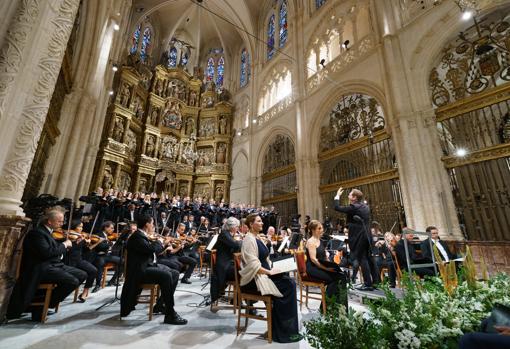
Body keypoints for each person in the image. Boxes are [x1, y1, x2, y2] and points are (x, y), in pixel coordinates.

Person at [7, 206, 87, 321]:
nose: (62, 223)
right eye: (59, 221)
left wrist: (71, 243)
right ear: (49, 221)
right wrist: (64, 244)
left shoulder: (49, 232)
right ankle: (40, 307)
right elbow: (47, 253)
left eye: (62, 221)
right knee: (72, 281)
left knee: (82, 275)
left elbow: (54, 246)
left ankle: (46, 304)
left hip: (55, 265)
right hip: (42, 267)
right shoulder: (37, 233)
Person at [239, 213, 299, 343]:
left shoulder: (257, 238)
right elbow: (253, 265)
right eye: (259, 221)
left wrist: (276, 268)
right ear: (251, 224)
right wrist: (269, 272)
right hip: (254, 280)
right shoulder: (249, 240)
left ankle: (285, 328)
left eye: (261, 221)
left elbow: (266, 258)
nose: (262, 223)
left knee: (289, 281)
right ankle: (281, 331)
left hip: (264, 275)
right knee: (288, 286)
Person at [120, 215, 187, 325]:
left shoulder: (142, 235)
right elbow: (150, 249)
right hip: (140, 270)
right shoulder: (137, 236)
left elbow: (153, 251)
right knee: (166, 275)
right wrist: (160, 241)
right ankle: (170, 314)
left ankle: (160, 305)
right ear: (147, 224)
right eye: (152, 223)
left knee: (174, 273)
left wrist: (164, 245)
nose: (153, 226)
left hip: (148, 266)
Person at [334, 187, 376, 291]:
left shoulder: (354, 207)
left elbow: (337, 207)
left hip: (359, 236)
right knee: (369, 258)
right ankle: (376, 282)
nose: (348, 196)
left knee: (362, 259)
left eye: (350, 194)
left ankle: (368, 284)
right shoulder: (365, 206)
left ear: (354, 197)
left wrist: (337, 196)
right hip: (367, 235)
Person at [305, 220, 348, 309]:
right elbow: (313, 260)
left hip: (321, 266)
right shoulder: (310, 241)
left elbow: (324, 257)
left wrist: (331, 265)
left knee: (342, 276)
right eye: (319, 228)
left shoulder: (319, 240)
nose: (321, 230)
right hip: (312, 268)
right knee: (334, 279)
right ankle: (326, 307)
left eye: (322, 228)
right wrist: (327, 269)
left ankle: (341, 307)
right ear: (312, 230)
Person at [210, 217, 242, 311]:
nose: (238, 229)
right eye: (237, 227)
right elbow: (235, 245)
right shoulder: (224, 234)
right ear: (232, 227)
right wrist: (243, 241)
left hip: (228, 263)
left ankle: (237, 300)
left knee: (243, 271)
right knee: (243, 272)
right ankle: (241, 300)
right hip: (223, 266)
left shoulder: (228, 234)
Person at [67, 220, 98, 302]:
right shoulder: (69, 236)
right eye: (79, 226)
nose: (81, 229)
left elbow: (86, 250)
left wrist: (91, 244)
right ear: (74, 227)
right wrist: (79, 240)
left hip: (79, 260)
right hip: (68, 261)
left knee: (93, 270)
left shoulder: (82, 237)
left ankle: (85, 292)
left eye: (82, 227)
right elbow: (68, 249)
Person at [89, 221, 120, 292]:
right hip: (99, 256)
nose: (113, 230)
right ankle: (98, 284)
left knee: (122, 261)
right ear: (106, 228)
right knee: (100, 263)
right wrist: (110, 244)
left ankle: (112, 280)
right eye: (111, 228)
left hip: (107, 255)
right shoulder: (98, 235)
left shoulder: (108, 236)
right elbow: (101, 246)